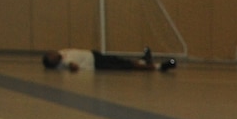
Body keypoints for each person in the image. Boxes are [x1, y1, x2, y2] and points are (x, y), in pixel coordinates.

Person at [44, 48, 177, 72]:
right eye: (51, 56)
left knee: (122, 61)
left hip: (94, 55)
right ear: (53, 62)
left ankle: (143, 61)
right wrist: (71, 67)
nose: (53, 54)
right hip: (97, 64)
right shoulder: (64, 63)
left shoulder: (62, 52)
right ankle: (158, 67)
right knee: (126, 67)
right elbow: (74, 67)